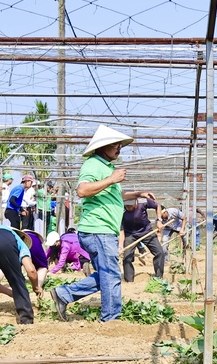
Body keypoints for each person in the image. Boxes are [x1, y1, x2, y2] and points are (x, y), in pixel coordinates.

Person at [49, 124, 154, 322]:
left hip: (103, 231)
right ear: (102, 146)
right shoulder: (93, 164)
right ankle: (111, 319)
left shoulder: (107, 168)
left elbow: (115, 195)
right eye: (115, 144)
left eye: (120, 145)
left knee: (107, 275)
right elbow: (82, 190)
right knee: (111, 275)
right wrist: (111, 179)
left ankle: (63, 294)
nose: (119, 148)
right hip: (98, 230)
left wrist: (138, 193)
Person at [120, 197, 165, 281]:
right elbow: (121, 231)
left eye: (130, 205)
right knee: (127, 257)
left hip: (146, 231)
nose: (129, 207)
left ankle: (159, 278)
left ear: (136, 201)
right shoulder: (120, 208)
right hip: (130, 234)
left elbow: (157, 206)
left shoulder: (143, 201)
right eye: (127, 206)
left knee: (159, 252)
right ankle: (129, 280)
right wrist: (120, 245)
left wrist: (159, 220)